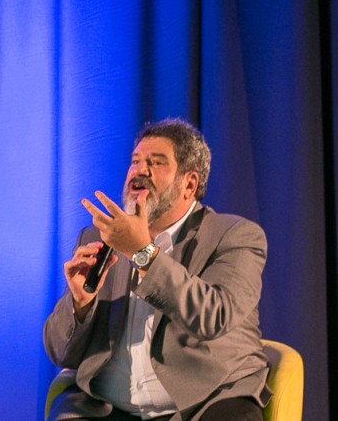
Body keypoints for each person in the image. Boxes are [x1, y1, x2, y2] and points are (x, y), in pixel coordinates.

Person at [44, 118, 270, 421]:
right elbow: (61, 353)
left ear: (189, 184)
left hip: (203, 405)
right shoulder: (99, 238)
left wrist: (141, 253)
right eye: (135, 161)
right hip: (110, 408)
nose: (139, 171)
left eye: (156, 162)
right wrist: (79, 304)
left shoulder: (235, 235)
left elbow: (214, 316)